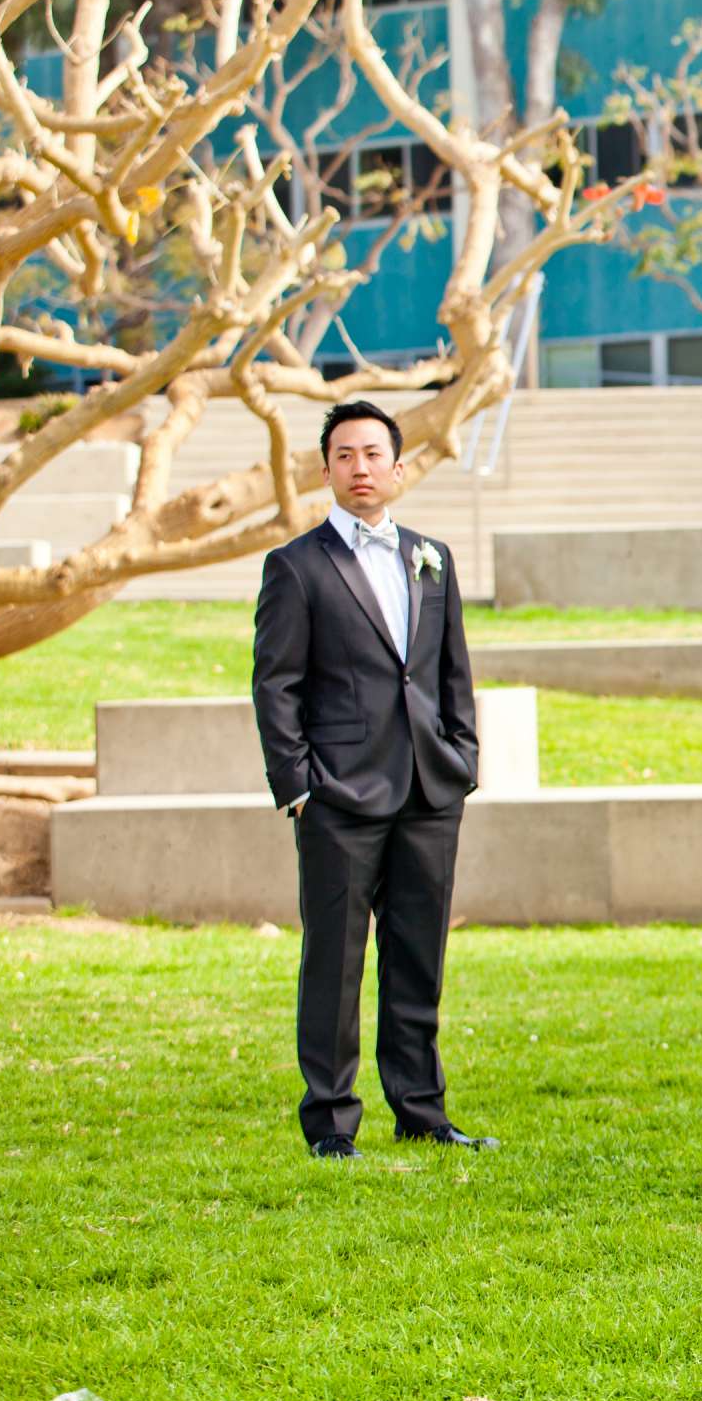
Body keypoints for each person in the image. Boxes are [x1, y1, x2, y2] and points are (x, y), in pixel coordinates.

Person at [253, 399, 492, 1159]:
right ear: (327, 470)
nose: (360, 468)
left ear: (398, 467)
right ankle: (330, 1122)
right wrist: (296, 784)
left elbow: (451, 669)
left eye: (373, 455)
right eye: (345, 456)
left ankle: (421, 1111)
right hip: (338, 796)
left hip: (430, 789)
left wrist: (462, 756)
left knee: (418, 955)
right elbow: (276, 684)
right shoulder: (295, 566)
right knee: (335, 959)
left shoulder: (432, 556)